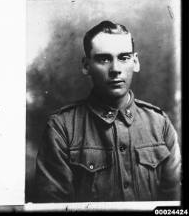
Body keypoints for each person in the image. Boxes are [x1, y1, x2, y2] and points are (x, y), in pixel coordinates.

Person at [34, 20, 181, 202]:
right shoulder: (62, 127)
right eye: (104, 59)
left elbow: (175, 203)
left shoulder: (160, 124)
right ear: (86, 66)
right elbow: (53, 205)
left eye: (124, 57)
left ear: (135, 62)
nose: (115, 69)